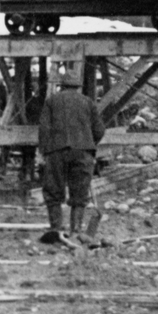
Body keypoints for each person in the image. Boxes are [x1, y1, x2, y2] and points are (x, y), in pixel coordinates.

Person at [38, 71, 105, 244]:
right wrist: (89, 143)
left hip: (56, 150)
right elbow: (99, 130)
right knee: (80, 192)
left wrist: (44, 151)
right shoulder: (88, 102)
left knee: (53, 190)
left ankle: (56, 229)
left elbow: (44, 129)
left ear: (62, 85)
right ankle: (75, 231)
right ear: (78, 86)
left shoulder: (51, 101)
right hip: (83, 151)